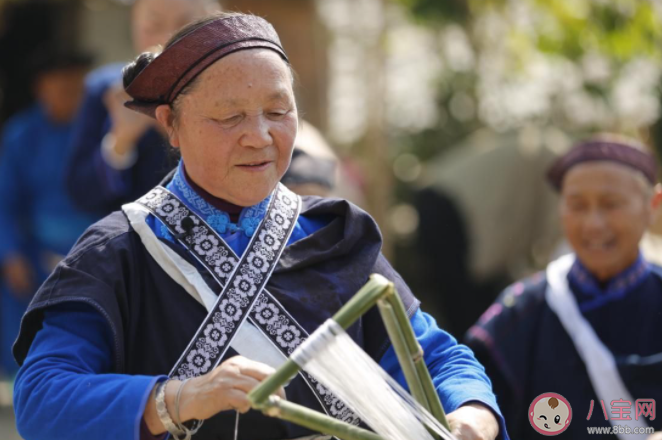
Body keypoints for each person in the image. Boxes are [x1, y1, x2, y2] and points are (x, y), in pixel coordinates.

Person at [13, 13, 508, 440]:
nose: (260, 137)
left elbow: (431, 355)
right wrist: (178, 398)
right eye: (230, 117)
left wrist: (471, 414)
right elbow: (40, 397)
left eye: (278, 111)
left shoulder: (331, 235)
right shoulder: (119, 250)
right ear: (171, 125)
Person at [465, 135, 662, 439]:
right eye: (577, 205)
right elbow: (472, 390)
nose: (593, 224)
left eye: (611, 204)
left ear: (653, 206)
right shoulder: (521, 310)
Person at [64, 0, 218, 217]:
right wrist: (120, 140)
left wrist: (171, 130)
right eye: (153, 27)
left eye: (185, 26)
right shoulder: (107, 92)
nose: (168, 39)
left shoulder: (230, 93)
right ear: (134, 26)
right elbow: (81, 194)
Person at [0, 49, 97, 378]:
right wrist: (11, 254)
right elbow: (5, 201)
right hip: (36, 247)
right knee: (20, 307)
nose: (70, 90)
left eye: (76, 82)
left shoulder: (103, 131)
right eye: (60, 83)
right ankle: (26, 383)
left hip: (95, 246)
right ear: (41, 87)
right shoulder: (21, 134)